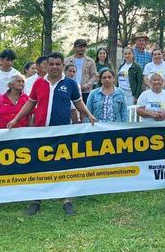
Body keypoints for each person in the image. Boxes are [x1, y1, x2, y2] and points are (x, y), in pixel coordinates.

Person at [7, 52, 97, 216]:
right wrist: (16, 119)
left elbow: (78, 103)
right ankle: (36, 200)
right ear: (46, 65)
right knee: (39, 166)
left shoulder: (70, 84)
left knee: (63, 166)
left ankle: (67, 200)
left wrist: (89, 115)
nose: (54, 67)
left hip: (62, 132)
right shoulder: (38, 83)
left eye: (58, 64)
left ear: (62, 65)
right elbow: (30, 103)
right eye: (52, 64)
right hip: (41, 132)